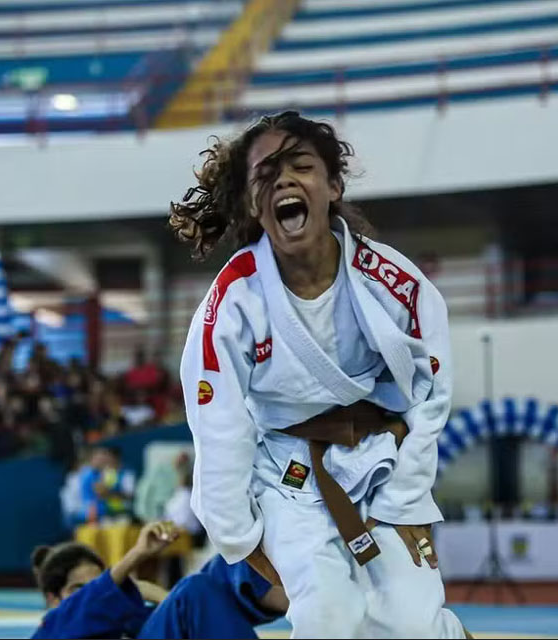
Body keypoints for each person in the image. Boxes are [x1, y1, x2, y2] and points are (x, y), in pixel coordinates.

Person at [169, 112, 466, 638]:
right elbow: (218, 426)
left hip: (380, 464)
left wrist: (406, 496)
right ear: (251, 205)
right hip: (286, 476)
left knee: (412, 625)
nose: (283, 180)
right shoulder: (234, 300)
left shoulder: (393, 283)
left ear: (332, 186)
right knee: (330, 616)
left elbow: (431, 395)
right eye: (266, 174)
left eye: (301, 166)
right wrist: (238, 535)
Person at [31, 521, 288, 639]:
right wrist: (137, 555)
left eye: (95, 583)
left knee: (228, 566)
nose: (90, 594)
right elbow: (79, 610)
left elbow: (183, 612)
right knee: (195, 589)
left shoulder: (126, 620)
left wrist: (158, 595)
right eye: (77, 589)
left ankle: (313, 600)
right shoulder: (48, 631)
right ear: (52, 599)